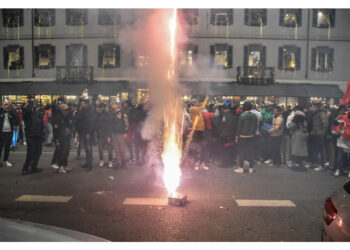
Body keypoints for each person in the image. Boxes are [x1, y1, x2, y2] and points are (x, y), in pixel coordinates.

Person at [21, 97, 45, 175]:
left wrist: (42, 134)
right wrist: (30, 103)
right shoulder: (27, 112)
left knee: (38, 152)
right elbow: (25, 115)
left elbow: (41, 123)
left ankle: (34, 166)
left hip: (38, 134)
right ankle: (25, 168)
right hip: (31, 135)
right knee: (31, 152)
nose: (35, 104)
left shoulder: (39, 112)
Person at [234, 101, 257, 174]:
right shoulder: (254, 116)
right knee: (251, 152)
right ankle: (251, 168)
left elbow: (239, 127)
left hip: (242, 136)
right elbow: (256, 126)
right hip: (251, 136)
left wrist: (237, 136)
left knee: (241, 152)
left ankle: (241, 168)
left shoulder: (242, 115)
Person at [189, 96, 209, 170]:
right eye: (197, 102)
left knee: (203, 147)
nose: (198, 103)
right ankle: (196, 164)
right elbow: (202, 107)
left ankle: (202, 164)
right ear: (193, 103)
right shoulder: (192, 108)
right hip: (197, 131)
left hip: (200, 130)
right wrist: (206, 100)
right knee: (197, 148)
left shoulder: (196, 110)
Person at [52, 104, 74, 174]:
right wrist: (57, 140)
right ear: (61, 110)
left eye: (67, 110)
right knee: (62, 153)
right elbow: (55, 130)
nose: (66, 111)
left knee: (66, 152)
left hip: (66, 137)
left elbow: (71, 124)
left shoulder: (67, 117)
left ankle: (64, 165)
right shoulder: (58, 118)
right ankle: (60, 166)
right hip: (61, 138)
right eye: (65, 110)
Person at [75, 99, 95, 171]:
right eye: (81, 103)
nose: (82, 104)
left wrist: (89, 132)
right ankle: (87, 162)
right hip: (82, 132)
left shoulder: (90, 111)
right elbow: (77, 120)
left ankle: (90, 165)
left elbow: (91, 123)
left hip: (87, 132)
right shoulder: (81, 111)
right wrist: (78, 132)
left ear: (86, 104)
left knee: (89, 148)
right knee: (86, 148)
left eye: (83, 103)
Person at [309, 103, 329, 172]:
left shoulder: (322, 113)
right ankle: (319, 164)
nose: (312, 108)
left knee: (321, 150)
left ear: (316, 107)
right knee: (317, 149)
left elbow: (325, 124)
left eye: (313, 106)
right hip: (315, 134)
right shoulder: (315, 113)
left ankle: (322, 165)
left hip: (320, 135)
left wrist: (322, 133)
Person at [111, 102, 128, 169]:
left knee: (122, 149)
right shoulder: (112, 113)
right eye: (112, 105)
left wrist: (125, 132)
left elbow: (126, 122)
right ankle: (119, 163)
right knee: (116, 149)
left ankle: (123, 163)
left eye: (114, 104)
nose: (112, 105)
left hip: (120, 133)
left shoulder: (122, 113)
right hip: (114, 133)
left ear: (117, 105)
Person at [96, 102, 114, 168]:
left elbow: (110, 125)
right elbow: (97, 125)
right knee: (100, 149)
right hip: (101, 134)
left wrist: (109, 135)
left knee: (109, 149)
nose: (102, 108)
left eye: (104, 107)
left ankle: (110, 161)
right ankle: (101, 160)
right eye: (101, 107)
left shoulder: (109, 114)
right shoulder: (99, 115)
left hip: (107, 134)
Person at [0, 102, 17, 167]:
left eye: (7, 104)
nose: (6, 106)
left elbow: (16, 117)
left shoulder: (11, 112)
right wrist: (2, 108)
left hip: (9, 132)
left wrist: (12, 109)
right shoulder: (1, 111)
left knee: (7, 147)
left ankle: (6, 160)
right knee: (0, 147)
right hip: (1, 132)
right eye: (5, 104)